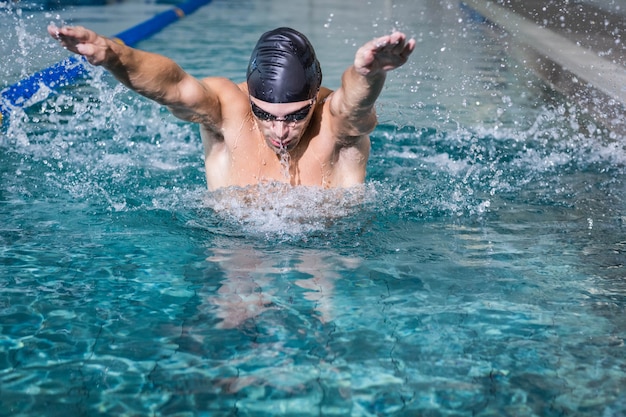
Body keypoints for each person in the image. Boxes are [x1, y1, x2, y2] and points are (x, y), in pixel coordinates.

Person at [48, 25, 415, 190]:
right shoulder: (229, 110)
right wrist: (116, 55)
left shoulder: (331, 124)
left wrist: (367, 73)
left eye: (296, 115)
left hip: (329, 253)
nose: (279, 130)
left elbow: (353, 105)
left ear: (315, 97)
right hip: (236, 253)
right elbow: (176, 88)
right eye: (265, 114)